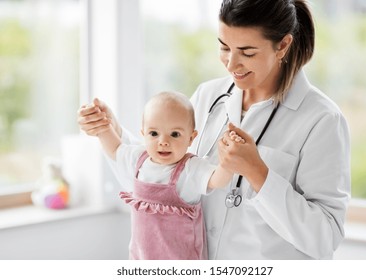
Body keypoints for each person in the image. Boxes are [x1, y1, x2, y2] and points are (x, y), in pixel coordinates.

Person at [78, 0, 350, 260]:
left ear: (283, 45)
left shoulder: (322, 120)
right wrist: (109, 129)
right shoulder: (209, 96)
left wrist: (258, 173)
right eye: (224, 47)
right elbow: (160, 176)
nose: (231, 64)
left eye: (247, 52)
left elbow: (325, 237)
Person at [88, 91, 244, 260]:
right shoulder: (138, 159)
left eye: (175, 134)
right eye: (154, 134)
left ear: (191, 138)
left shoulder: (190, 168)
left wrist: (228, 162)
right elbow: (114, 149)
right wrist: (102, 126)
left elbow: (217, 180)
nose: (163, 141)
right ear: (143, 134)